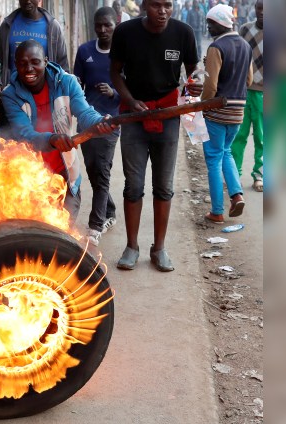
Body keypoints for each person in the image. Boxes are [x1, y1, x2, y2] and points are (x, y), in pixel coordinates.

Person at [109, 0, 201, 272]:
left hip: (169, 116)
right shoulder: (125, 32)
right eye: (156, 5)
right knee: (133, 185)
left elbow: (193, 70)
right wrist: (130, 99)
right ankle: (132, 246)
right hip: (134, 117)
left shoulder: (183, 32)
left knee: (164, 186)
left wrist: (193, 86)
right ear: (144, 6)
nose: (163, 12)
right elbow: (115, 72)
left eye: (168, 6)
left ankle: (159, 248)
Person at [2, 40, 114, 228]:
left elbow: (85, 113)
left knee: (63, 233)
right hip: (30, 179)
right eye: (22, 64)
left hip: (66, 175)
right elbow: (25, 135)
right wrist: (52, 138)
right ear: (16, 65)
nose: (29, 69)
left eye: (35, 62)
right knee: (37, 238)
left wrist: (99, 122)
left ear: (45, 61)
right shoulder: (10, 95)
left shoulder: (67, 82)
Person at [73, 7, 121, 246]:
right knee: (93, 170)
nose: (103, 30)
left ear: (116, 24)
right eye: (99, 25)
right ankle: (110, 211)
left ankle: (95, 225)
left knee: (101, 171)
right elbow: (75, 85)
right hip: (86, 122)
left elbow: (131, 92)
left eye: (108, 25)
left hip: (111, 121)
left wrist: (114, 93)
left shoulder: (124, 54)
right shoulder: (85, 51)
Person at [201, 4, 253, 223]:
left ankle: (217, 211)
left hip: (217, 112)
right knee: (226, 152)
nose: (208, 28)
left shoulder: (216, 47)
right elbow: (249, 80)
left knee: (213, 158)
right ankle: (236, 194)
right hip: (238, 111)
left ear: (219, 23)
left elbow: (211, 86)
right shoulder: (245, 45)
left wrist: (201, 104)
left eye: (210, 24)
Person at [0, 0, 69, 136]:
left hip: (43, 101)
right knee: (6, 148)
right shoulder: (7, 26)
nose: (27, 1)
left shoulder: (52, 27)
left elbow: (62, 64)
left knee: (41, 146)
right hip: (12, 98)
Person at [231, 0, 263, 192]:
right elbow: (234, 53)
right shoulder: (244, 29)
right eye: (259, 8)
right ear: (255, 9)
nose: (262, 13)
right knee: (238, 135)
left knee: (262, 137)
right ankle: (234, 176)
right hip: (242, 91)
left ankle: (259, 176)